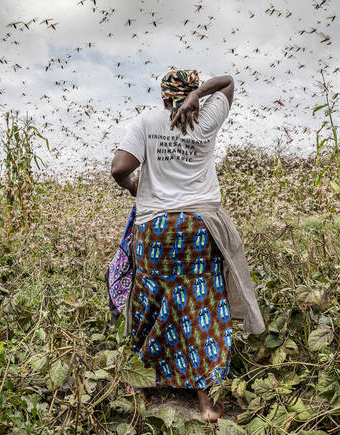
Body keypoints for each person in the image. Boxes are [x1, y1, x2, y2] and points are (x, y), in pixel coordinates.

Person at [111, 70, 265, 423]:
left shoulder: (146, 122)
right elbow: (227, 81)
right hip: (199, 226)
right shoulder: (205, 117)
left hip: (156, 229)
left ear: (163, 95)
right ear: (191, 92)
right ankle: (207, 404)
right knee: (201, 303)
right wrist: (200, 94)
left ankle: (141, 383)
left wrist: (134, 186)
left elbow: (120, 167)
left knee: (150, 296)